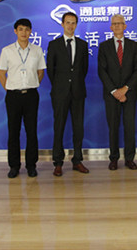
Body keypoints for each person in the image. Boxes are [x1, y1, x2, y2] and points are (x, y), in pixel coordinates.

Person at [0, 18, 46, 178]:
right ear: (15, 31)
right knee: (13, 131)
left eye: (27, 29)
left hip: (31, 95)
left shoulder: (37, 50)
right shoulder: (7, 51)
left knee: (32, 131)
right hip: (13, 96)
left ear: (31, 31)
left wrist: (31, 84)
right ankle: (14, 166)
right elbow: (1, 73)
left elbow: (41, 72)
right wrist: (10, 88)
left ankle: (31, 165)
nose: (24, 32)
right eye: (20, 29)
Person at [46, 12, 90, 177]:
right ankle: (58, 162)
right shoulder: (54, 45)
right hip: (60, 93)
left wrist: (74, 83)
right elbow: (51, 70)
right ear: (62, 24)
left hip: (78, 92)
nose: (70, 26)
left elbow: (84, 69)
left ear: (76, 25)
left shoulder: (83, 45)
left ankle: (77, 160)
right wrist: (61, 85)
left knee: (78, 128)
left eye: (73, 23)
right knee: (59, 127)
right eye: (67, 22)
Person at [98, 14, 137, 170]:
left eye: (120, 23)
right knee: (113, 127)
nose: (117, 26)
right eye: (114, 24)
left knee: (129, 127)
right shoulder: (104, 46)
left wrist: (125, 89)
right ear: (111, 27)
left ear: (125, 26)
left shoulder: (133, 45)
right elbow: (102, 71)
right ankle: (114, 158)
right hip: (111, 95)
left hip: (129, 93)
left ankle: (129, 159)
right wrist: (114, 91)